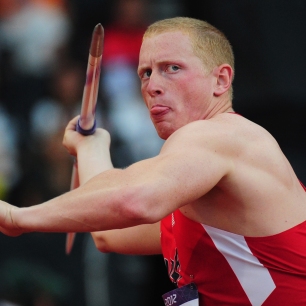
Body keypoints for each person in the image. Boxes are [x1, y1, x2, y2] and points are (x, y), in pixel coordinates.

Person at [0, 16, 306, 305]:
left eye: (172, 68)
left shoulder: (222, 135)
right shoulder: (196, 185)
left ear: (221, 80)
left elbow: (135, 201)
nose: (152, 86)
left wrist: (19, 218)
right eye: (145, 73)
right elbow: (109, 232)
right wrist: (92, 147)